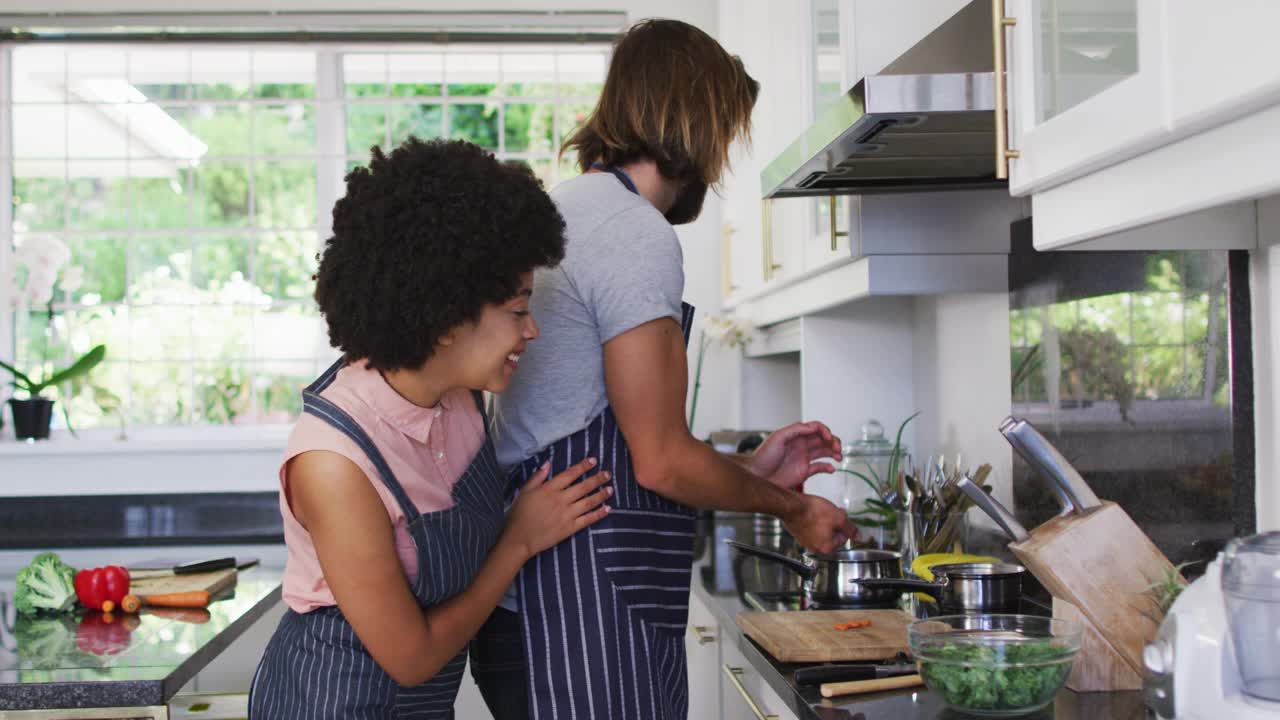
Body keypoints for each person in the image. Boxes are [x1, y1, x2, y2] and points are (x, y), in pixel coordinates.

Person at [481, 19, 857, 720]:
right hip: (576, 608)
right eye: (723, 140)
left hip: (556, 601)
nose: (718, 167)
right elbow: (657, 462)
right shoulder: (631, 233)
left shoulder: (571, 209)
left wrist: (750, 470)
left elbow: (620, 442)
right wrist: (797, 508)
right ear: (696, 126)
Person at [248, 138, 613, 719]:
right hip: (331, 704)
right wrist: (518, 541)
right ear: (446, 318)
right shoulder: (334, 466)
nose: (532, 330)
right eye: (518, 310)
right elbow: (412, 658)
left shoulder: (461, 398)